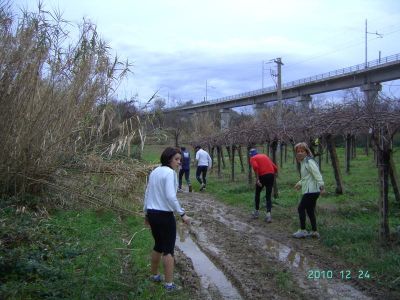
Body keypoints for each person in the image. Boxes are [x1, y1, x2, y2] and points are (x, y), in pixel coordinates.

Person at [143, 147, 191, 291]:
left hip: (152, 213)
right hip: (164, 215)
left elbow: (147, 193)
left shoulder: (155, 171)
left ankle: (154, 275)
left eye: (180, 160)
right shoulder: (170, 173)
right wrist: (182, 214)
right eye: (176, 159)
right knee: (168, 250)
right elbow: (171, 196)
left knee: (158, 245)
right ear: (168, 159)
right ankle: (169, 284)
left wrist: (146, 213)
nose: (179, 162)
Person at [292, 142, 325, 239]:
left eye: (302, 151)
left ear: (306, 152)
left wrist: (322, 187)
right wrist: (299, 183)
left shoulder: (309, 162)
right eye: (298, 151)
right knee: (310, 210)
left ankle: (303, 230)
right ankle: (314, 231)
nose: (300, 153)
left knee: (300, 208)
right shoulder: (304, 162)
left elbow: (317, 174)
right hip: (310, 190)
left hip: (312, 191)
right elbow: (307, 177)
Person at [249, 148, 278, 223]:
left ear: (251, 155)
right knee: (268, 196)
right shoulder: (265, 156)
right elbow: (275, 167)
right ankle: (268, 215)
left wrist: (257, 179)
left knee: (257, 193)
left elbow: (255, 167)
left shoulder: (252, 158)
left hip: (262, 176)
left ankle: (256, 212)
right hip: (271, 175)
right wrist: (273, 175)